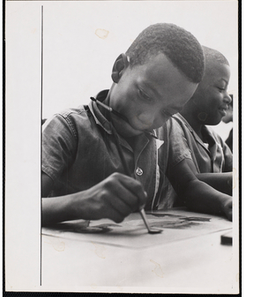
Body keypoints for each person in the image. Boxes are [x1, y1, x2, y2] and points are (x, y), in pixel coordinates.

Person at [42, 23, 232, 226]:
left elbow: (189, 185)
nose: (148, 119)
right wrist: (79, 203)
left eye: (168, 112)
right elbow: (17, 207)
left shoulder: (167, 130)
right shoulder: (67, 128)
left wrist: (229, 203)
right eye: (145, 95)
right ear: (119, 69)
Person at [168, 46, 233, 209]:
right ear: (191, 87)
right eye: (220, 88)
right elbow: (188, 181)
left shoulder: (216, 141)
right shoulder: (172, 126)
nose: (228, 98)